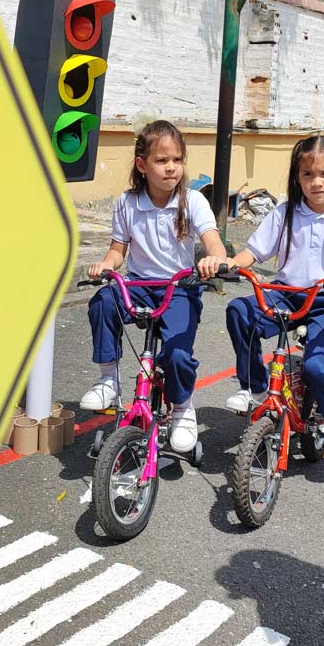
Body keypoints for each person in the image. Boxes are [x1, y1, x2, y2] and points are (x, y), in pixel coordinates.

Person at [199, 135, 324, 446]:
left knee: (317, 365)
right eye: (307, 174)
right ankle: (256, 387)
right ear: (298, 177)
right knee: (240, 312)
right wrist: (231, 263)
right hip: (287, 292)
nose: (316, 182)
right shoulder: (286, 212)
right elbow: (254, 252)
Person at [81, 120, 227, 455]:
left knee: (176, 355)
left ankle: (182, 408)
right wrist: (106, 265)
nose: (171, 167)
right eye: (162, 161)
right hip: (140, 285)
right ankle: (109, 381)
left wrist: (214, 260)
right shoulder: (127, 202)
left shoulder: (193, 202)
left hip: (180, 288)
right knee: (104, 299)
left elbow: (215, 245)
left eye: (177, 159)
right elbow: (118, 251)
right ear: (142, 165)